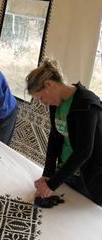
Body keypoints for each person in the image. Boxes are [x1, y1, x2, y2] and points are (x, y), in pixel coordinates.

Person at [25, 58, 102, 206]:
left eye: (41, 97)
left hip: (89, 178)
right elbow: (55, 139)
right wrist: (48, 174)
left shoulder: (86, 104)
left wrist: (52, 184)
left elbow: (84, 150)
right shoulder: (56, 103)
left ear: (49, 84)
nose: (43, 103)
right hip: (66, 173)